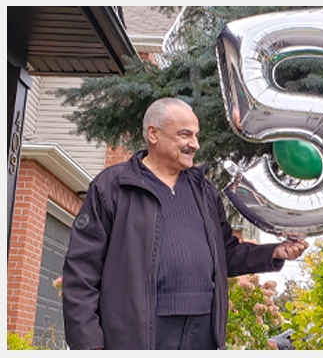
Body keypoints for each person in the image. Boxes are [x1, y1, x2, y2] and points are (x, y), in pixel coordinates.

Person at [62, 97, 309, 350]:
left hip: (202, 332)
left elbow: (225, 254)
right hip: (140, 333)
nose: (195, 144)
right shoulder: (112, 188)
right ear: (153, 134)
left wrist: (275, 252)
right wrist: (88, 345)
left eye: (196, 135)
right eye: (185, 134)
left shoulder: (205, 192)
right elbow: (81, 271)